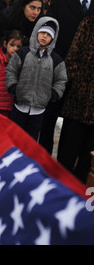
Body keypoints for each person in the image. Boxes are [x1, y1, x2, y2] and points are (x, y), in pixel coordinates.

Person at [38, 0, 94, 154]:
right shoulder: (61, 1)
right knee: (49, 118)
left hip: (86, 80)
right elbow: (49, 33)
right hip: (58, 70)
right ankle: (44, 157)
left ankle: (65, 163)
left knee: (73, 128)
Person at [5, 17, 67, 141]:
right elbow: (11, 70)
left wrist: (53, 93)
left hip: (38, 110)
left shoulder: (56, 60)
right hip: (19, 105)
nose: (44, 36)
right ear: (36, 32)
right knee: (13, 139)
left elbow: (61, 79)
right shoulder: (22, 53)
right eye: (42, 32)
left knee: (30, 142)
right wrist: (14, 87)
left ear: (53, 38)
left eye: (48, 35)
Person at [57, 15, 94, 183]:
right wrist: (78, 81)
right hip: (78, 101)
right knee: (67, 153)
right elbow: (71, 58)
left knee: (88, 163)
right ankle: (59, 189)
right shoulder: (88, 23)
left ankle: (80, 198)